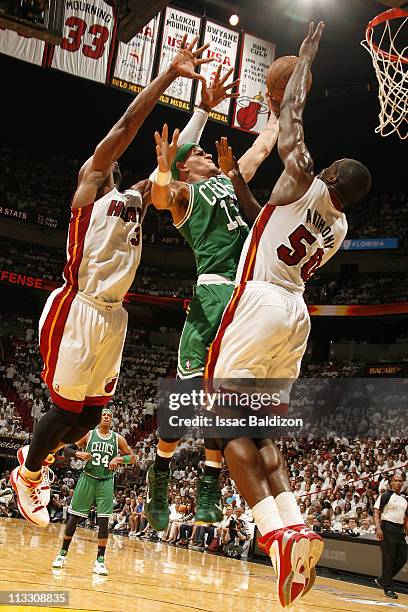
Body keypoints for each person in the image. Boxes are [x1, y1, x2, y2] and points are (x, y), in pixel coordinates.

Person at [9, 34, 212, 528]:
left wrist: (202, 110)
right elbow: (126, 124)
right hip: (77, 307)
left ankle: (37, 461)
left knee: (84, 418)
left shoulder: (137, 197)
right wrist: (168, 74)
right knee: (62, 413)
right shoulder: (89, 188)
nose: (113, 155)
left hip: (113, 317)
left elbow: (173, 159)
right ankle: (29, 474)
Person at [203, 22, 372, 607]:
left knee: (224, 430)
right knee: (263, 431)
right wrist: (235, 182)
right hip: (296, 314)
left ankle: (273, 538)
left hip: (260, 305)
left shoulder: (303, 176)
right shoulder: (341, 227)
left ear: (327, 175)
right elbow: (266, 218)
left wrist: (303, 67)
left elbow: (292, 129)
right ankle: (294, 525)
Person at [146, 83, 280, 531]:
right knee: (185, 400)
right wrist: (164, 172)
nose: (206, 152)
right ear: (186, 165)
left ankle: (209, 484)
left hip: (243, 300)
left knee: (223, 402)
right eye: (198, 152)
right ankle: (160, 472)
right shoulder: (186, 194)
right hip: (210, 295)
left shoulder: (227, 179)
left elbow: (262, 148)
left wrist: (283, 109)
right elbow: (161, 199)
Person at [52, 408, 135, 576]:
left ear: (112, 420)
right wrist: (78, 454)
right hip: (87, 478)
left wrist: (120, 458)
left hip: (106, 481)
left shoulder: (117, 438)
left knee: (103, 521)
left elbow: (133, 457)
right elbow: (67, 450)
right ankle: (62, 554)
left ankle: (100, 561)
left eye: (109, 415)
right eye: (103, 414)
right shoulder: (89, 434)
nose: (105, 417)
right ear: (99, 418)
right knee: (74, 517)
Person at [374, 474, 408, 599]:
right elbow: (377, 511)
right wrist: (378, 528)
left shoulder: (404, 499)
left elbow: (405, 518)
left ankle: (383, 579)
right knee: (389, 559)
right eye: (396, 481)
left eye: (400, 481)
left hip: (399, 530)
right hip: (387, 527)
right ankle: (388, 587)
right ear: (391, 483)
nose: (399, 483)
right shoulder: (385, 496)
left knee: (403, 556)